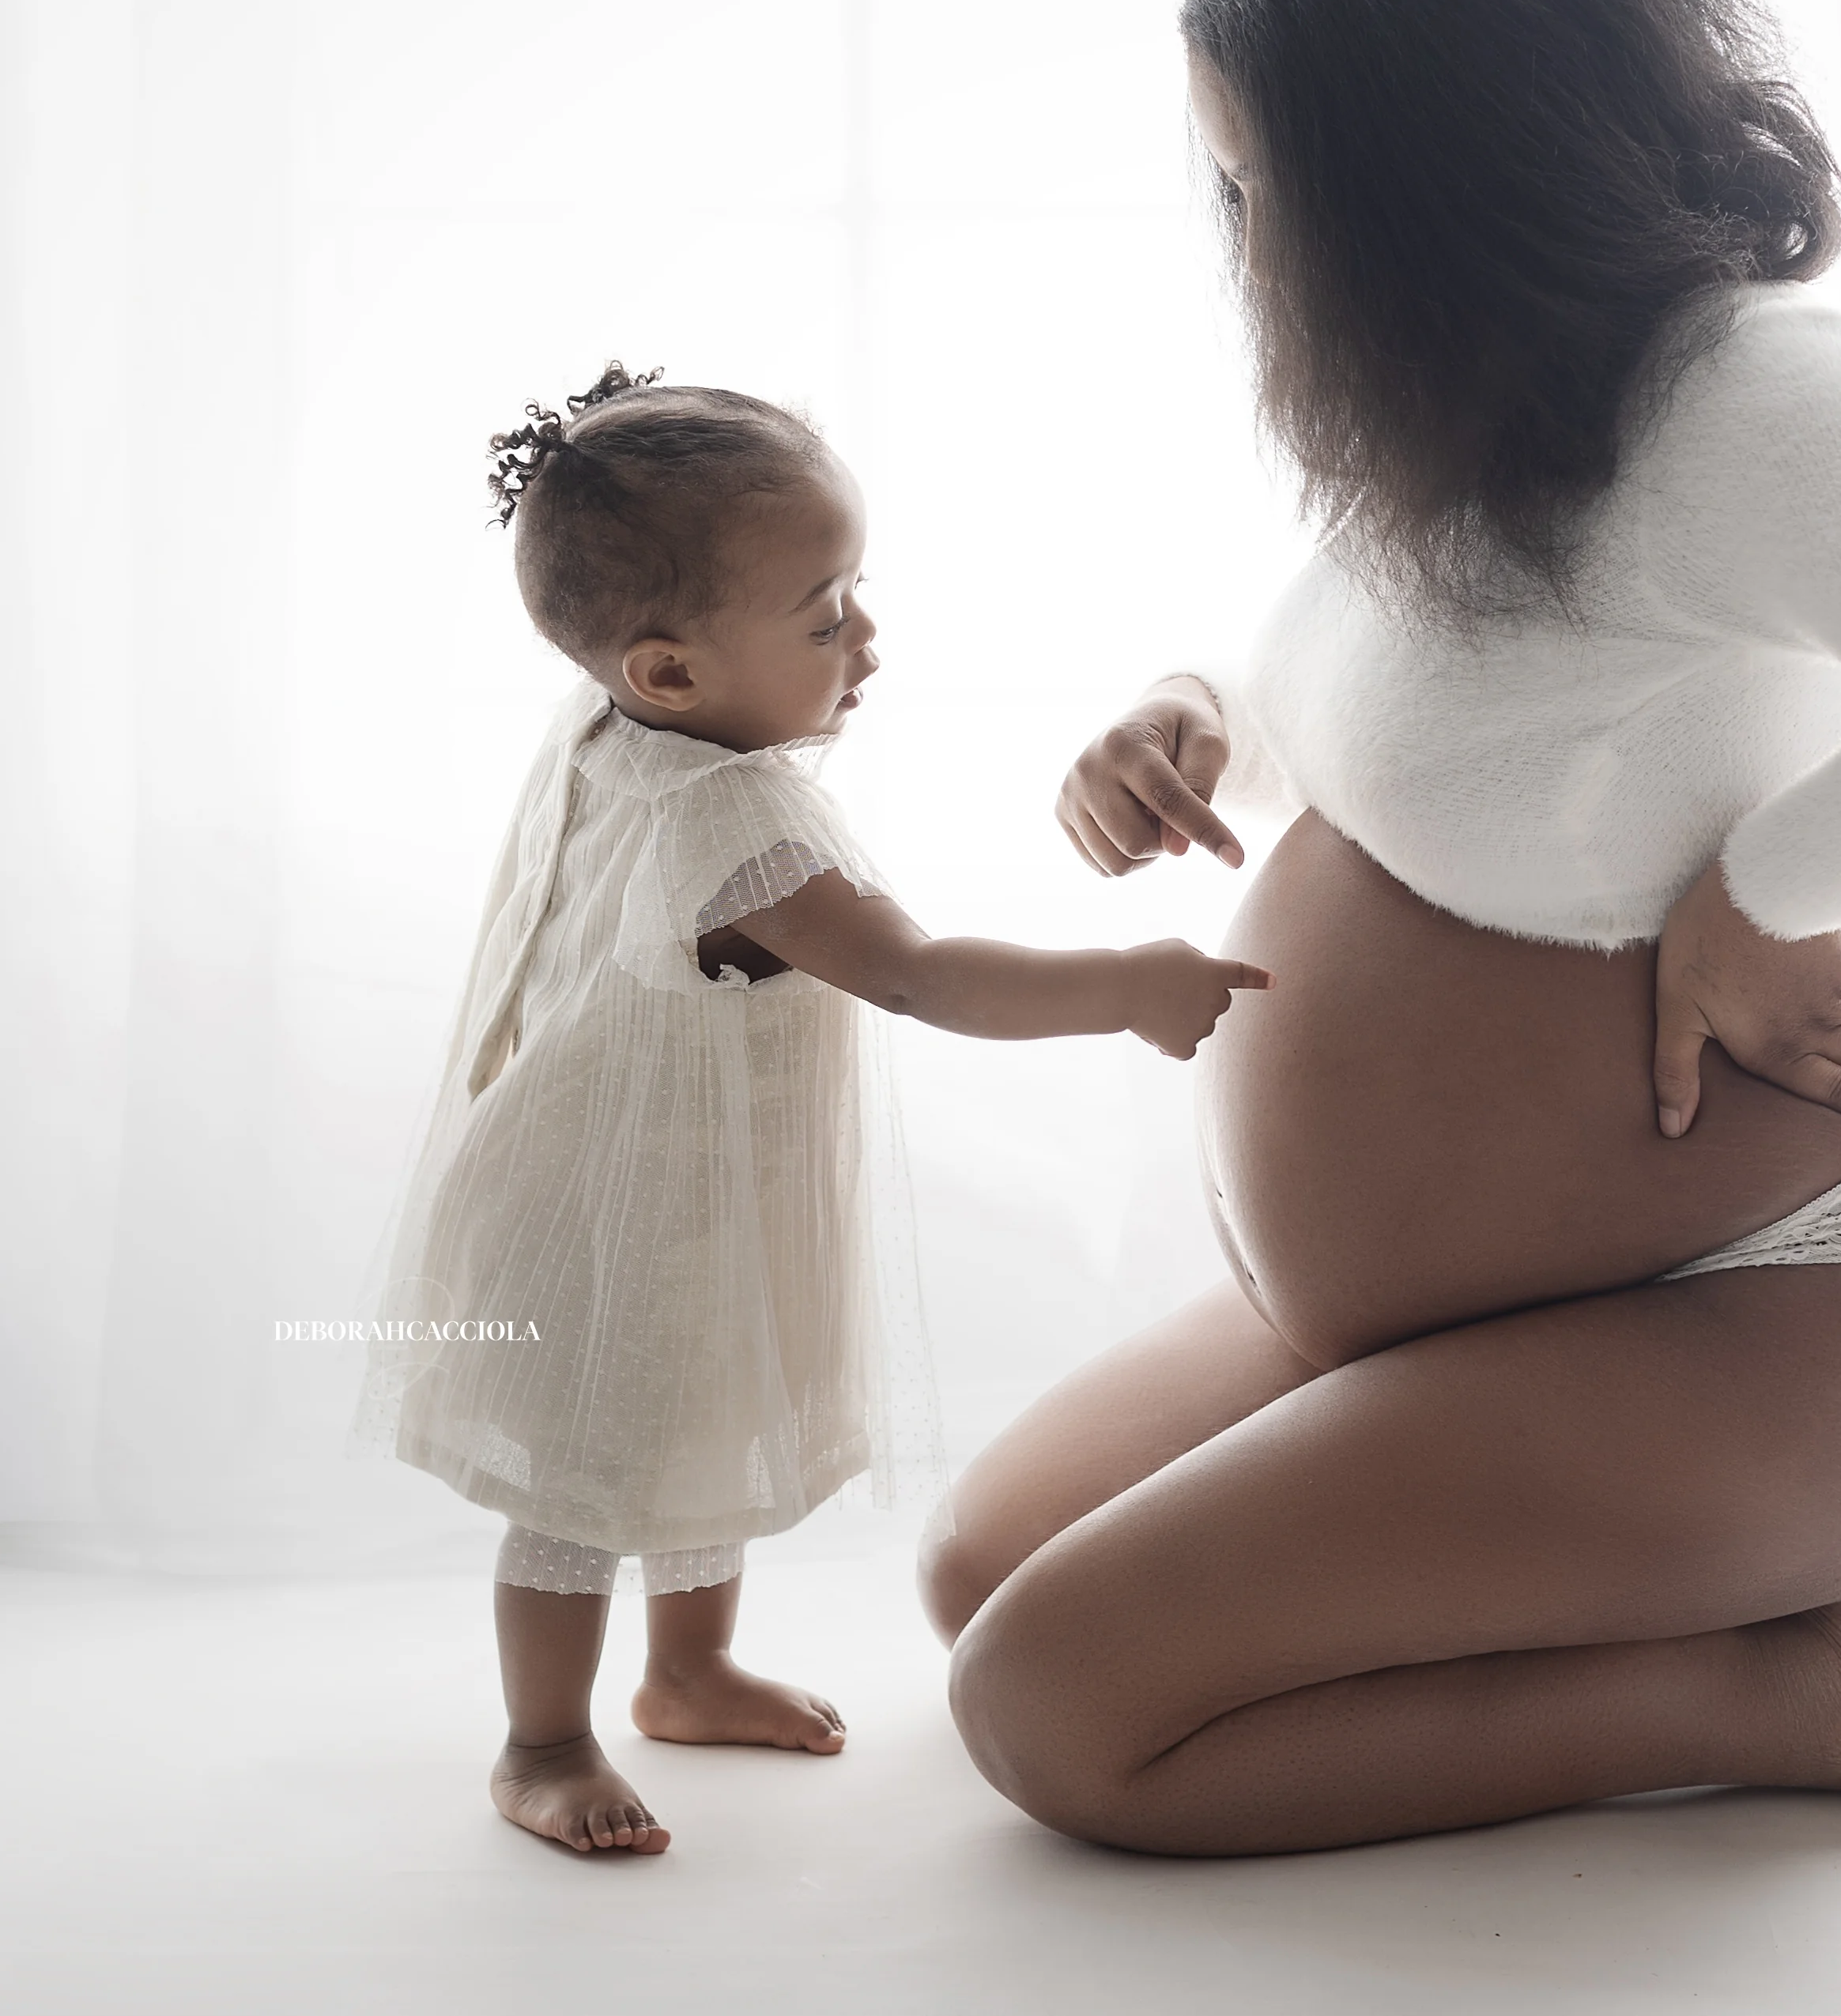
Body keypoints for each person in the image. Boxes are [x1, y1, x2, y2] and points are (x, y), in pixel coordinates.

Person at [919, 0, 1841, 1856]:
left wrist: (1767, 893)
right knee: (981, 1572)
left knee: (1061, 1715)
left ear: (1425, 175)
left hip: (1783, 1312)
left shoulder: (1748, 394)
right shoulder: (1472, 401)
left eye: (1264, 185)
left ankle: (1792, 1680)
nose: (1248, 241)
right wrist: (1199, 719)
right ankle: (1690, 1604)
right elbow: (1460, 728)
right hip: (1496, 1309)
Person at [359, 366, 1268, 1856]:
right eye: (825, 616)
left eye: (856, 595)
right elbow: (916, 973)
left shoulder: (612, 727)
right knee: (585, 1485)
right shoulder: (737, 819)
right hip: (614, 1213)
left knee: (701, 1418)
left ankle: (689, 1672)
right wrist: (1125, 987)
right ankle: (543, 1742)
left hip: (686, 1185)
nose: (867, 638)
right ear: (669, 672)